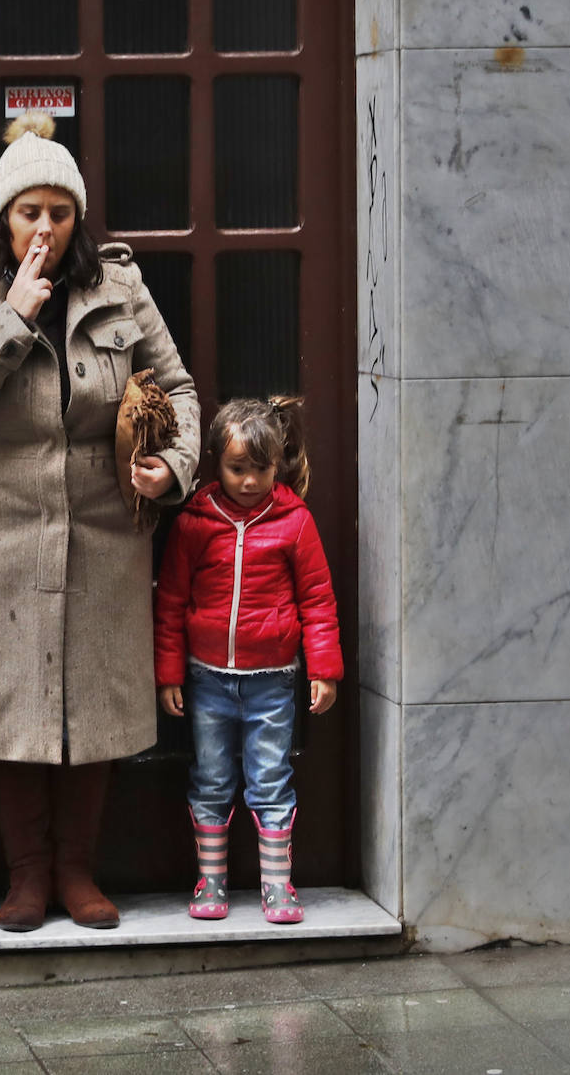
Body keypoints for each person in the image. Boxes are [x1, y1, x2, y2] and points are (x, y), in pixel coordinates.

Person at [0, 112, 200, 932]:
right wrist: (11, 317)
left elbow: (177, 389)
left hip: (104, 532)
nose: (44, 228)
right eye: (29, 211)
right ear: (4, 216)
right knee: (10, 709)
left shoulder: (119, 286)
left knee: (93, 711)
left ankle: (78, 872)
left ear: (78, 216)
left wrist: (174, 468)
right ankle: (27, 876)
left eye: (59, 212)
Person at [154, 396, 343, 924]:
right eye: (237, 469)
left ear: (277, 465)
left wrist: (324, 668)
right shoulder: (194, 521)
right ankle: (210, 883)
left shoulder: (295, 521)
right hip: (207, 678)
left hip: (274, 681)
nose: (249, 481)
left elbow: (318, 600)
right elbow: (170, 600)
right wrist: (169, 673)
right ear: (216, 460)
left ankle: (277, 888)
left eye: (260, 469)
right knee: (211, 779)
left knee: (270, 780)